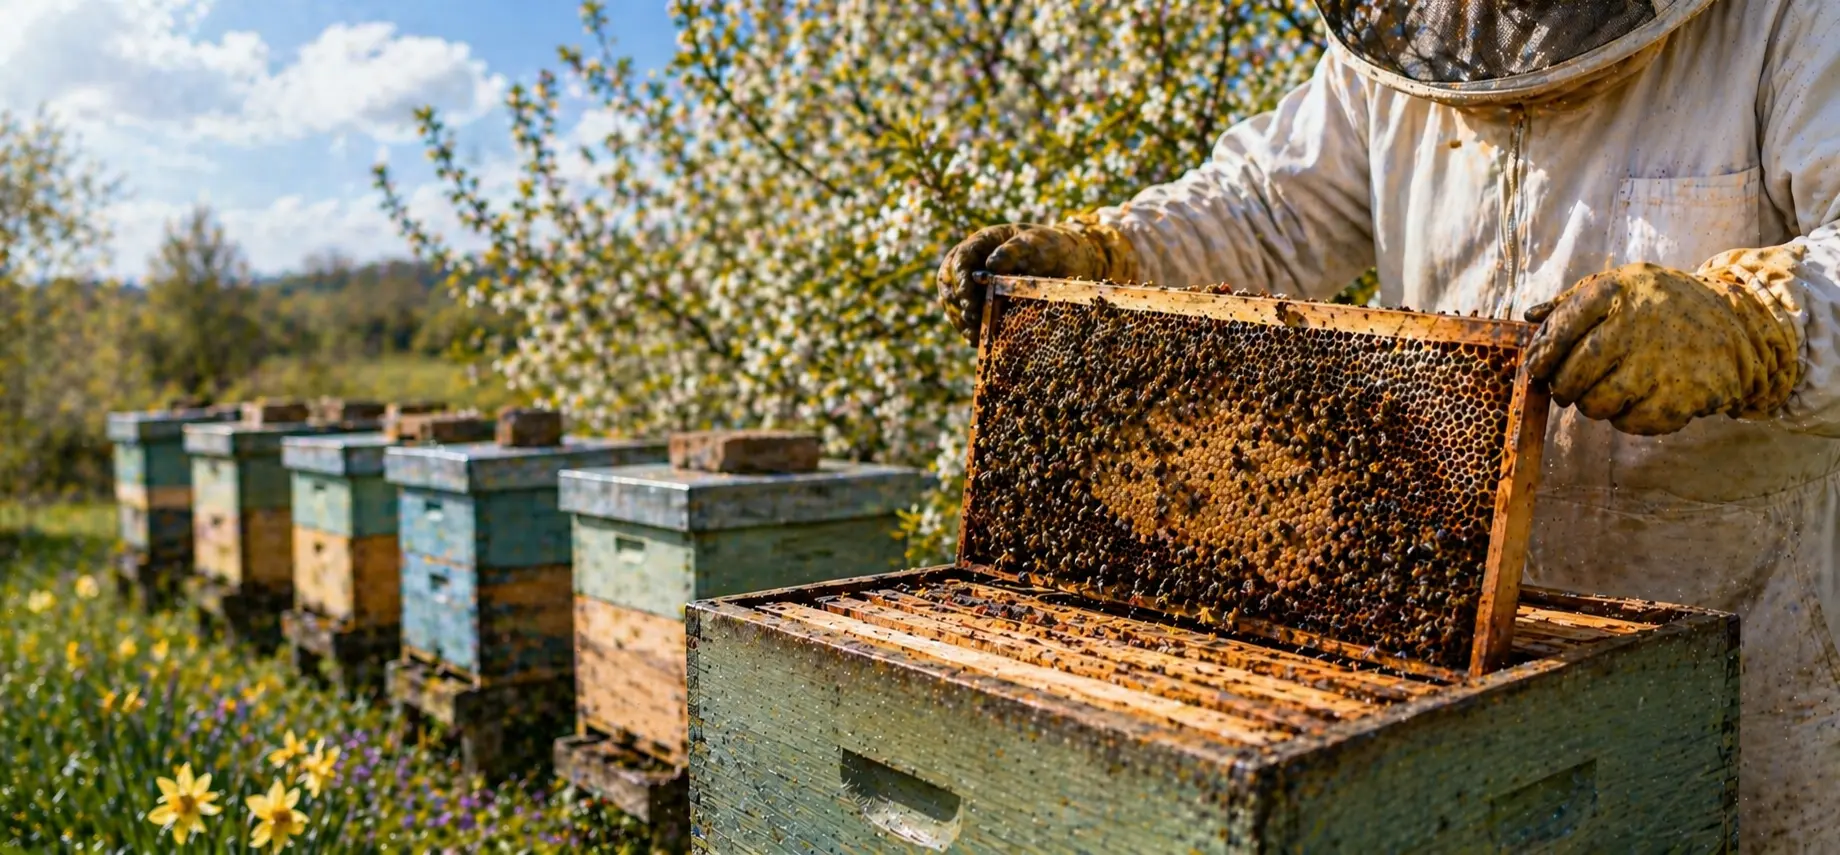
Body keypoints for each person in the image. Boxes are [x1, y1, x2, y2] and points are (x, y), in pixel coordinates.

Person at [936, 0, 1840, 849]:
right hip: (1445, 651)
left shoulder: (1786, 22)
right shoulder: (1411, 41)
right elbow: (1263, 209)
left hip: (1745, 649)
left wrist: (1754, 326)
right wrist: (1116, 250)